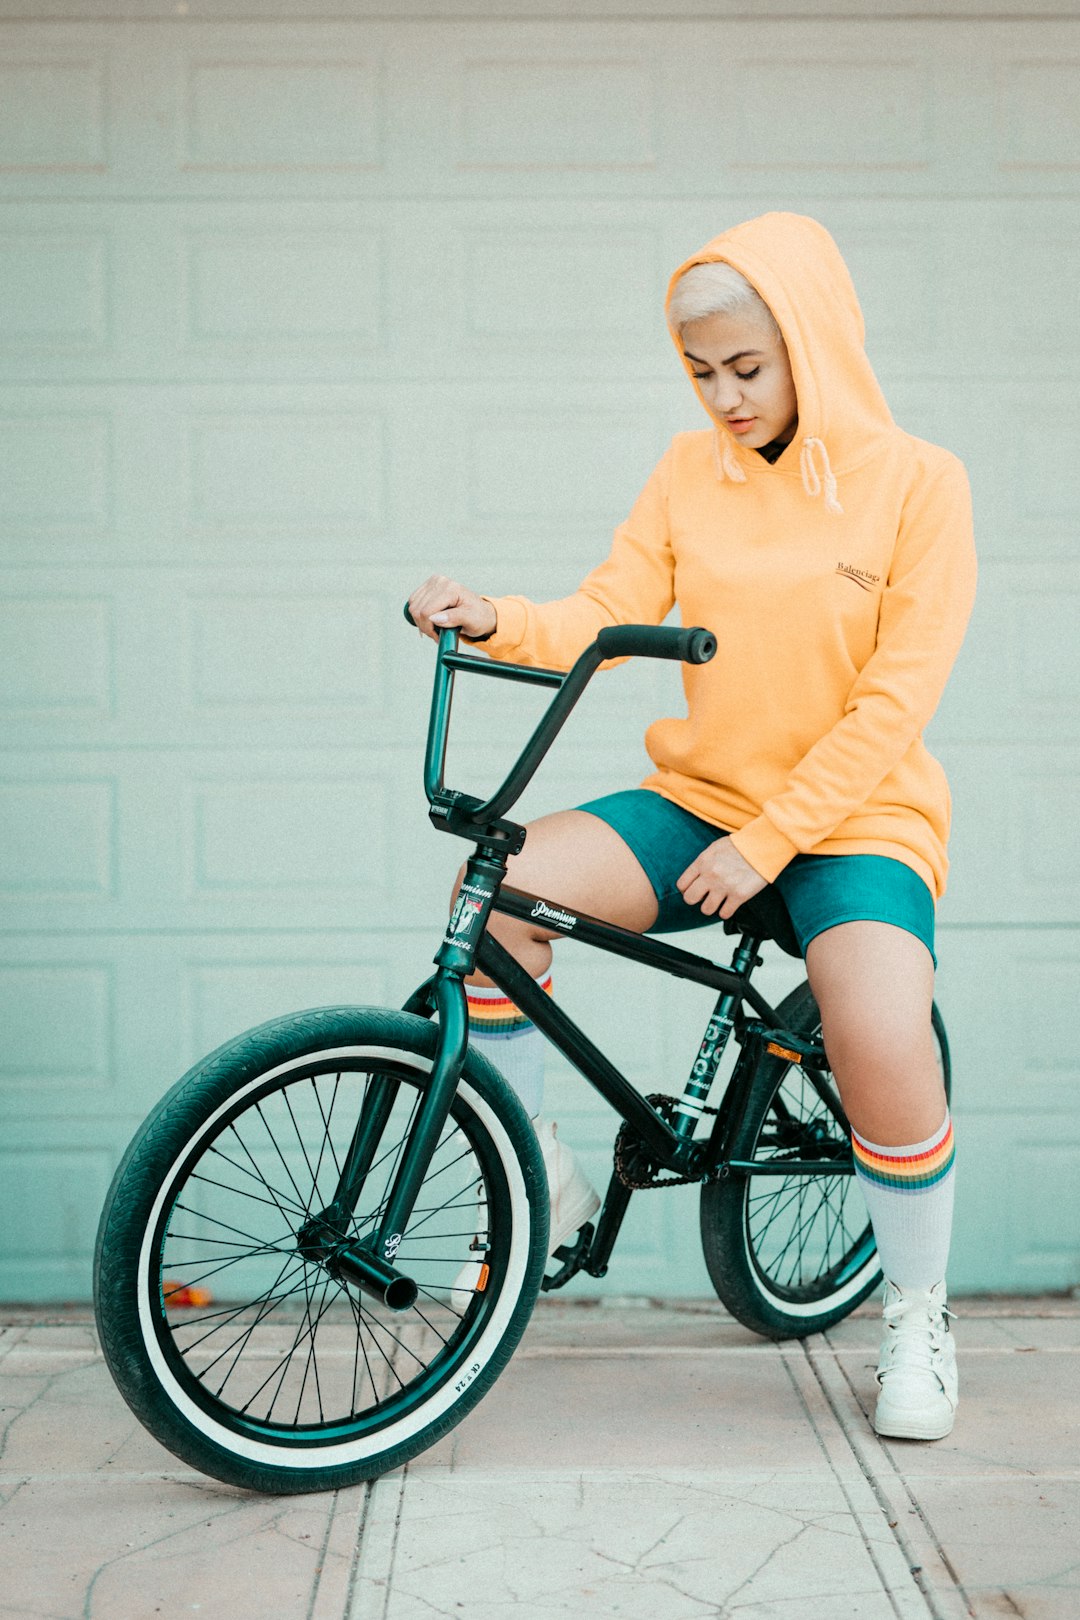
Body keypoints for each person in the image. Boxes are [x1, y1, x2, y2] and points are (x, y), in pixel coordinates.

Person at [408, 212, 977, 1442]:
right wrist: (488, 613)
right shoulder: (685, 472)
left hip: (856, 816)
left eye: (747, 368)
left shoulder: (921, 484)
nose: (722, 395)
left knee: (877, 1031)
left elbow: (894, 705)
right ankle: (531, 1162)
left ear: (812, 344)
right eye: (700, 369)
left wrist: (773, 844)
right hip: (703, 799)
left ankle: (918, 1311)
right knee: (502, 894)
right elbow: (606, 612)